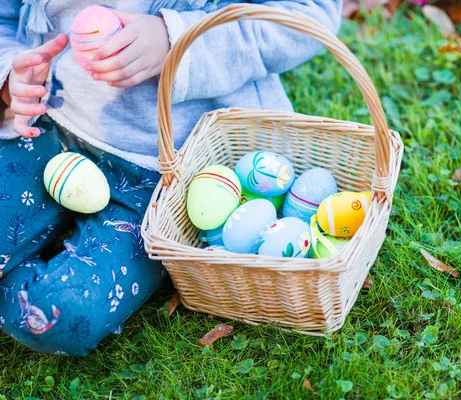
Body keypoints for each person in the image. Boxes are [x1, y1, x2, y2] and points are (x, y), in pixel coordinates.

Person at [0, 0, 342, 356]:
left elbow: (308, 14)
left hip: (167, 170)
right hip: (48, 129)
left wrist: (176, 38)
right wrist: (11, 76)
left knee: (53, 313)